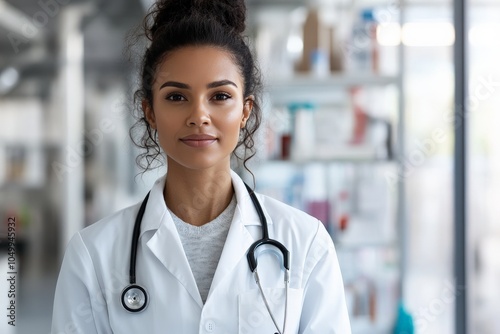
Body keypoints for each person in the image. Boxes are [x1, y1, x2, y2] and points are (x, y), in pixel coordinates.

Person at [51, 0, 351, 333]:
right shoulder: (93, 255)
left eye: (220, 96)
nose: (199, 116)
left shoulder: (306, 243)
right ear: (149, 111)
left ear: (246, 110)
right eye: (177, 97)